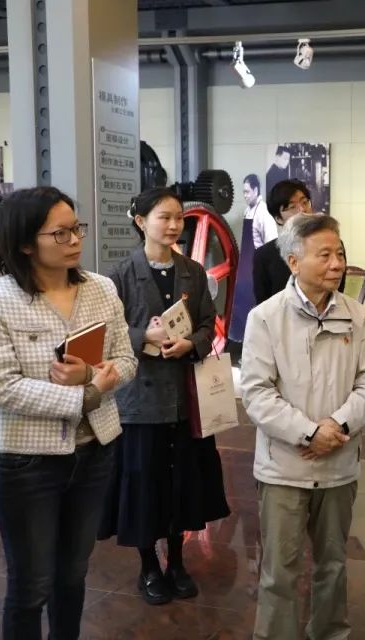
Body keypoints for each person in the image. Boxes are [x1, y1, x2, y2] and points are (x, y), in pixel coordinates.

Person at [0, 186, 137, 640]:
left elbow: (126, 359)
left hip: (94, 453)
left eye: (76, 229)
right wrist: (85, 395)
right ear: (26, 243)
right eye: (60, 233)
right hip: (27, 463)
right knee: (31, 586)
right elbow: (1, 387)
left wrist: (91, 374)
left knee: (72, 576)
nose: (75, 240)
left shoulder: (100, 288)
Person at [240, 214, 365, 640]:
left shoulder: (357, 316)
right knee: (279, 571)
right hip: (285, 467)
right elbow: (256, 393)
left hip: (338, 463)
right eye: (325, 255)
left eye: (339, 253)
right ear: (293, 261)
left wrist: (336, 426)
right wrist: (308, 432)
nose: (337, 263)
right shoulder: (266, 318)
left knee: (333, 566)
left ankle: (330, 633)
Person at [100, 187, 230, 606]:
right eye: (164, 217)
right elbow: (108, 334)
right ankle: (148, 567)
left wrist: (191, 343)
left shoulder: (193, 271)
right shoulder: (119, 276)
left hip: (185, 398)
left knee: (182, 483)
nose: (174, 225)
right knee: (144, 485)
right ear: (141, 222)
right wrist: (144, 337)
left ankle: (177, 561)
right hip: (139, 402)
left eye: (178, 218)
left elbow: (209, 323)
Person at [252, 180, 313, 304]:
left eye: (305, 202)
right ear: (278, 218)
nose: (302, 210)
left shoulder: (331, 246)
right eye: (292, 207)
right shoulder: (264, 255)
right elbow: (263, 304)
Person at [228, 174, 265, 346]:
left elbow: (269, 243)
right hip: (245, 262)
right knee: (242, 296)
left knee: (251, 300)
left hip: (255, 263)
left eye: (247, 191)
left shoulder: (263, 213)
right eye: (243, 192)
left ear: (256, 190)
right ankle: (240, 339)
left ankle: (252, 341)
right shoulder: (248, 211)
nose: (245, 195)